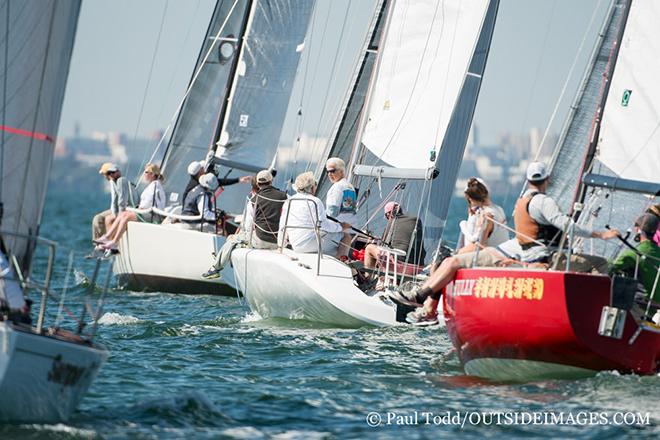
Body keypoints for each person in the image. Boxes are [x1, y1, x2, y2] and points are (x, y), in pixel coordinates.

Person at [395, 162, 621, 325]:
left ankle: (422, 295)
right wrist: (601, 235)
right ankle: (597, 313)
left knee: (453, 260)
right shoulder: (543, 201)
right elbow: (566, 224)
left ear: (529, 180)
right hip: (537, 255)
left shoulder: (522, 200)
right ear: (547, 180)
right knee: (601, 264)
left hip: (515, 249)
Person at [202, 175, 261, 279]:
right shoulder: (281, 197)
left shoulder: (252, 200)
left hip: (256, 238)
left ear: (253, 189)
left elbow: (247, 225)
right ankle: (223, 256)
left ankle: (217, 267)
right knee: (232, 237)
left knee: (230, 239)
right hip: (271, 237)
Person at [96, 163, 166, 249]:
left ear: (152, 174)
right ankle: (107, 237)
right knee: (123, 214)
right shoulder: (153, 185)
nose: (144, 174)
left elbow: (150, 203)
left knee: (125, 217)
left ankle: (114, 242)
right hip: (147, 213)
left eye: (146, 172)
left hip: (152, 216)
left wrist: (138, 208)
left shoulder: (155, 186)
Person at [278, 171, 350, 254]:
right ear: (312, 187)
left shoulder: (289, 201)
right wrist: (341, 226)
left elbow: (283, 224)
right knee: (346, 236)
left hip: (295, 244)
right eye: (315, 184)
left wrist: (280, 245)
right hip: (308, 243)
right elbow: (323, 225)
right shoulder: (315, 201)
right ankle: (342, 261)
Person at [363, 202, 426, 276]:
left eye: (387, 217)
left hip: (399, 266)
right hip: (417, 268)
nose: (388, 219)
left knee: (369, 248)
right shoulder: (416, 220)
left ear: (388, 214)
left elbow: (383, 245)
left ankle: (367, 278)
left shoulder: (392, 221)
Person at [610, 214, 660, 304]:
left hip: (642, 306)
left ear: (637, 229)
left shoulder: (632, 254)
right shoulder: (657, 250)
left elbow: (609, 269)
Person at [457, 177, 509, 254]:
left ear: (470, 199)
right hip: (503, 254)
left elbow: (478, 247)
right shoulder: (499, 209)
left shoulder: (486, 216)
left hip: (493, 258)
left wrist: (454, 254)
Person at [91, 162, 135, 240]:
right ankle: (98, 243)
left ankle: (107, 242)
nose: (106, 176)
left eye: (106, 174)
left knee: (101, 219)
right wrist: (115, 214)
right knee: (97, 219)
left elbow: (121, 201)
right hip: (117, 209)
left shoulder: (120, 181)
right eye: (106, 174)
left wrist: (118, 215)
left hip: (125, 209)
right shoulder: (113, 182)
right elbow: (115, 201)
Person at [324, 157, 357, 258]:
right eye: (327, 171)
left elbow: (331, 213)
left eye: (332, 171)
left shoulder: (336, 188)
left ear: (342, 171)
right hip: (349, 233)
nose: (329, 174)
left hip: (337, 234)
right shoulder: (350, 186)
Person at [181, 160, 251, 205]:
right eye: (202, 168)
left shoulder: (196, 180)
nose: (204, 170)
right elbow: (219, 182)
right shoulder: (200, 184)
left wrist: (238, 180)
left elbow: (218, 182)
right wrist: (238, 180)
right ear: (199, 172)